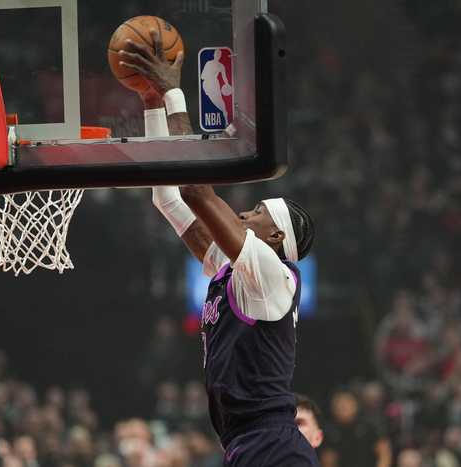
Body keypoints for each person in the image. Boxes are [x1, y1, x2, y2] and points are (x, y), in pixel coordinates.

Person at [119, 31, 317, 466]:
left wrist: (173, 93)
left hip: (272, 445)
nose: (245, 212)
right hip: (249, 444)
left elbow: (194, 190)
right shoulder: (233, 271)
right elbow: (167, 197)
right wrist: (152, 103)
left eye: (259, 212)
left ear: (276, 238)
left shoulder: (273, 274)